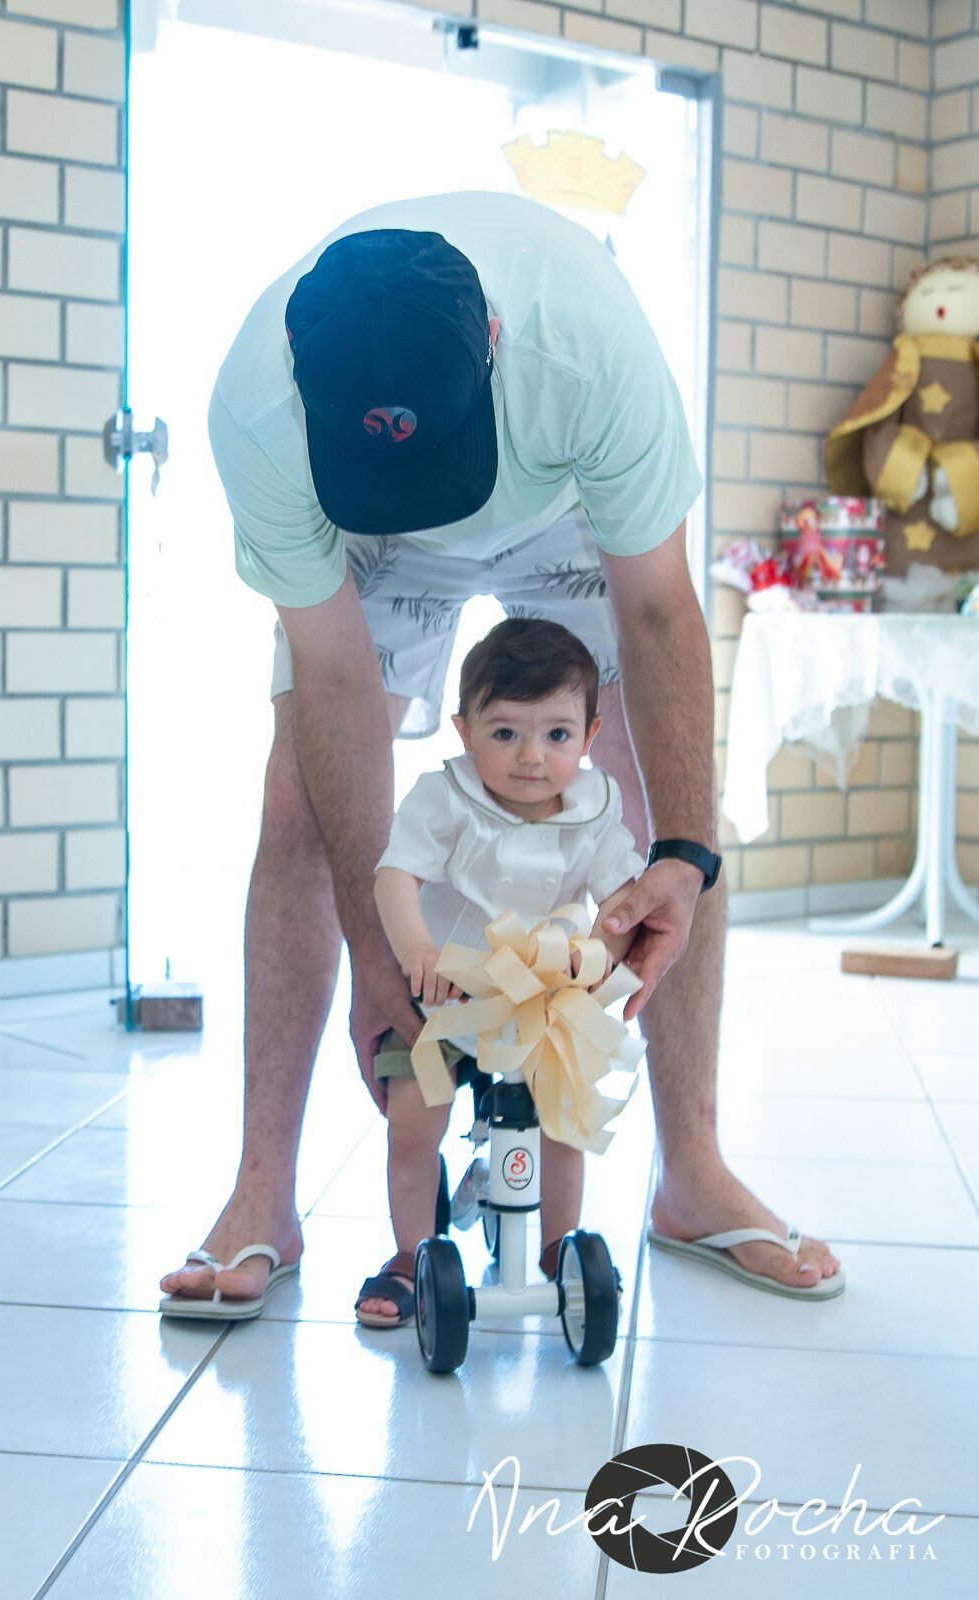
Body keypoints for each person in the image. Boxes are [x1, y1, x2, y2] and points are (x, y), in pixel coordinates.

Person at [159, 192, 843, 1321]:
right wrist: (378, 943)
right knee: (297, 802)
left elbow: (660, 612)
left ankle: (693, 1174)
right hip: (362, 529)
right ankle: (260, 1194)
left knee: (659, 795)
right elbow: (333, 677)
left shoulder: (586, 348)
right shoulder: (259, 415)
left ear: (492, 342)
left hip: (558, 500)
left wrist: (683, 855)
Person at [355, 617, 644, 1327]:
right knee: (413, 1118)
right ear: (463, 730)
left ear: (590, 735)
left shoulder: (594, 808)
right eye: (505, 732)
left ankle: (558, 1246)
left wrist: (598, 953)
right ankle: (409, 1253)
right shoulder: (447, 796)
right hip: (443, 995)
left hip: (540, 1000)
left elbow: (622, 902)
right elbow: (396, 874)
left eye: (557, 734)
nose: (530, 757)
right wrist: (417, 950)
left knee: (564, 1118)